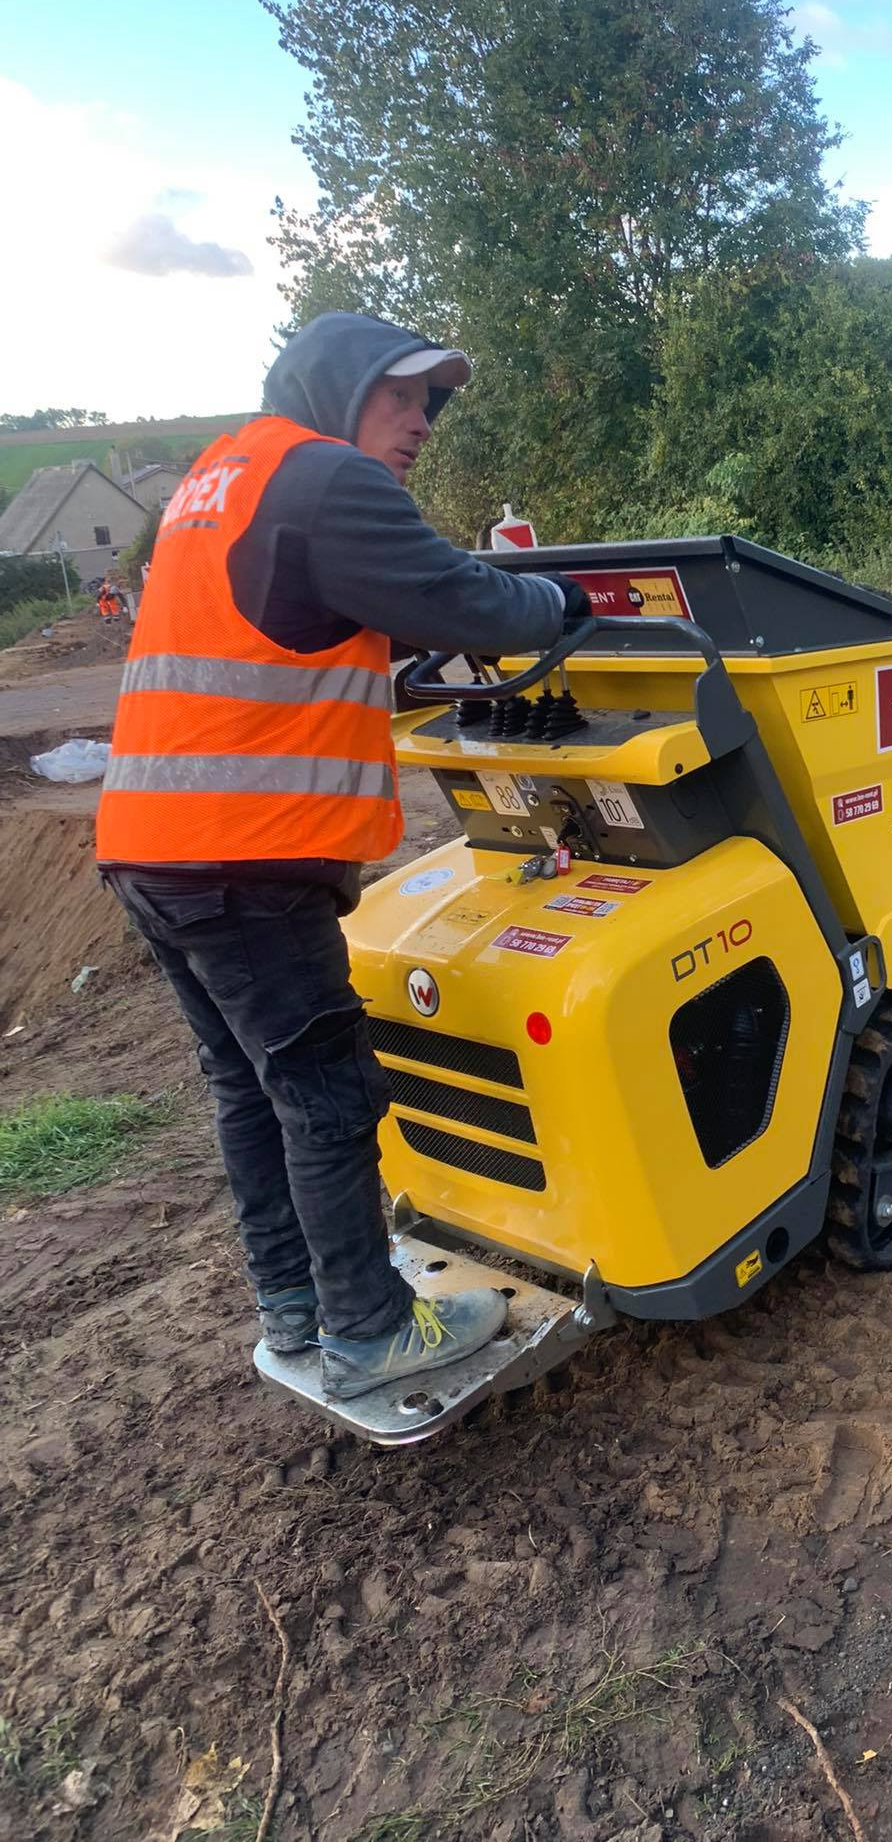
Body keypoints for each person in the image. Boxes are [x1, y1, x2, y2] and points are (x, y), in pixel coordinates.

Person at [96, 312, 591, 1401]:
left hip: (152, 843)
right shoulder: (327, 478)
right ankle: (370, 1328)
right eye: (402, 395)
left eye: (431, 404)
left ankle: (298, 1301)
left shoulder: (220, 477)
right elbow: (468, 600)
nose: (421, 423)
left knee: (251, 1086)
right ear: (337, 384)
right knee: (325, 1093)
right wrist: (560, 600)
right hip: (246, 861)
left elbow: (306, 624)